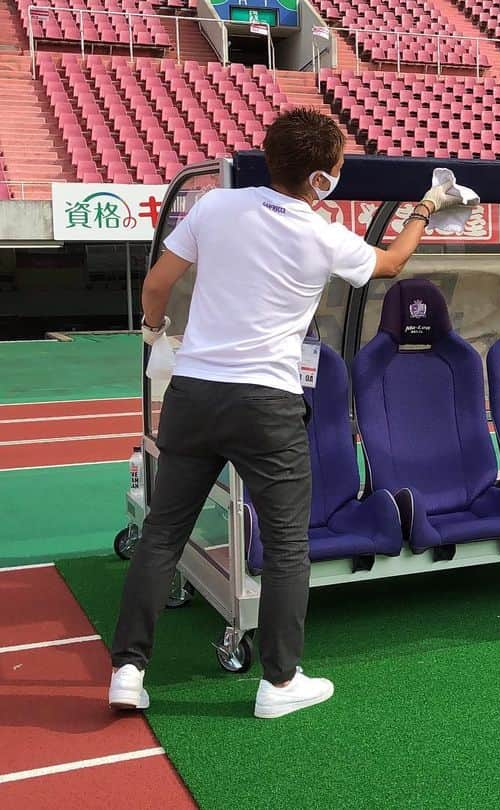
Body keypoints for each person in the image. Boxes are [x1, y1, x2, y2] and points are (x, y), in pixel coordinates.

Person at [107, 108, 462, 719]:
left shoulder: (215, 206)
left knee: (164, 532)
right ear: (323, 176)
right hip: (267, 401)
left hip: (193, 390)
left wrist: (153, 329)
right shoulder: (321, 233)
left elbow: (159, 283)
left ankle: (128, 670)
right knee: (287, 542)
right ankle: (279, 681)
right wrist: (427, 208)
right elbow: (390, 264)